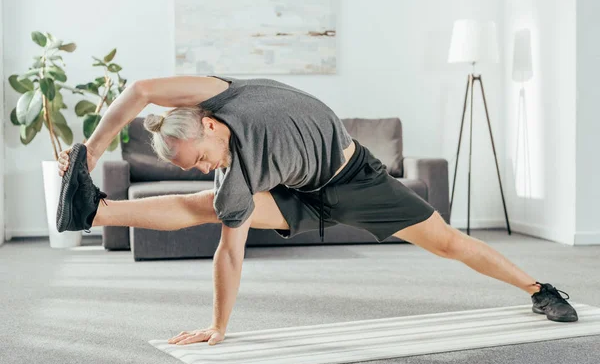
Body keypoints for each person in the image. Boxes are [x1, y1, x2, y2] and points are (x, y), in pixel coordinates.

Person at [56, 75, 578, 346]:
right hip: (298, 192)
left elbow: (144, 90)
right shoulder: (234, 177)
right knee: (204, 206)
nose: (201, 168)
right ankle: (94, 211)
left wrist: (92, 150)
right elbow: (230, 254)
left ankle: (541, 291)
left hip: (356, 180)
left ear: (209, 125)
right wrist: (218, 326)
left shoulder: (225, 96)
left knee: (449, 243)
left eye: (197, 159)